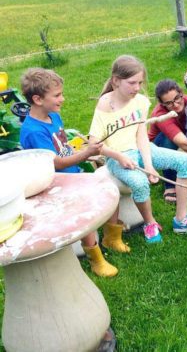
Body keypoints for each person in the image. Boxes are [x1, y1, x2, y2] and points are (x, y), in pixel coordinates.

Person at [88, 55, 187, 244]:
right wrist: (118, 156)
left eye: (140, 82)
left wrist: (149, 165)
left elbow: (141, 135)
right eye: (132, 83)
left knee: (184, 161)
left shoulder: (140, 101)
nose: (137, 88)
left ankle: (181, 219)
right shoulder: (106, 104)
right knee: (140, 182)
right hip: (116, 157)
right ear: (116, 81)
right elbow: (94, 143)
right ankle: (150, 223)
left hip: (141, 149)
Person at [19, 67, 118, 277]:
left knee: (91, 202)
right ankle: (96, 259)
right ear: (37, 99)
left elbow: (63, 146)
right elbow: (55, 164)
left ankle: (109, 237)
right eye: (57, 95)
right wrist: (85, 154)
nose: (62, 99)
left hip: (71, 173)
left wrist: (84, 153)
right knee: (81, 215)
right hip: (55, 182)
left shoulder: (53, 116)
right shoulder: (34, 131)